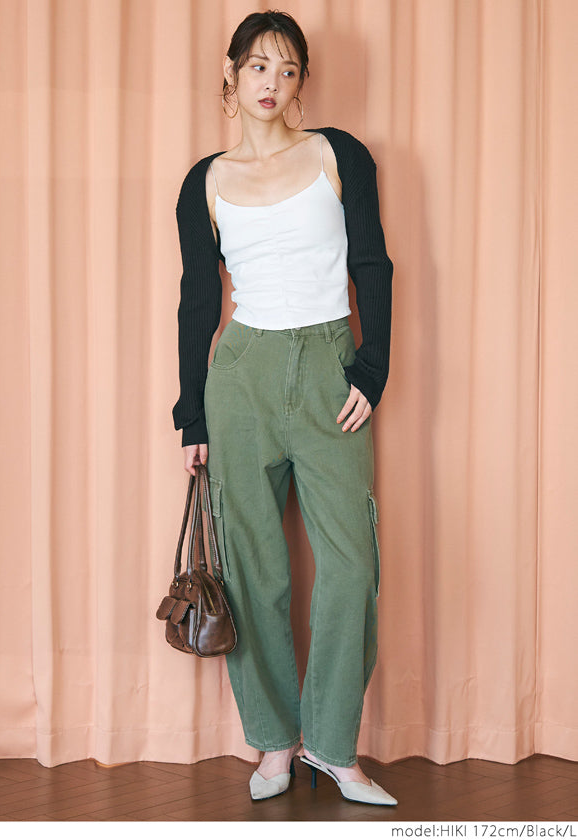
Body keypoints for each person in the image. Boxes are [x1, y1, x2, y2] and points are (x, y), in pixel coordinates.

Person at [171, 10, 396, 806]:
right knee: (253, 568)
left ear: (302, 82)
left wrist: (371, 369)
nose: (273, 82)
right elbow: (199, 302)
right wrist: (193, 417)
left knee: (351, 563)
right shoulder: (205, 181)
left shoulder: (337, 155)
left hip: (330, 364)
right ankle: (273, 742)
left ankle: (332, 746)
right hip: (242, 377)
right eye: (259, 66)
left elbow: (373, 263)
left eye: (289, 68)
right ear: (231, 74)